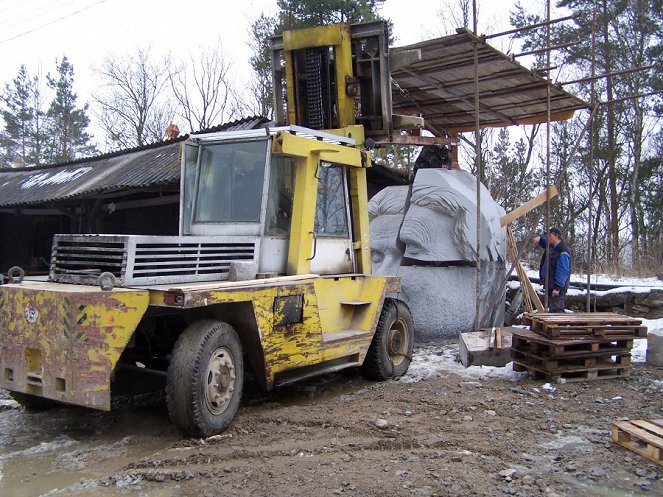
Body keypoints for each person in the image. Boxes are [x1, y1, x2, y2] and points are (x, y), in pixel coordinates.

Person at [533, 227, 571, 312]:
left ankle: (559, 325)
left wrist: (557, 287)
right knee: (552, 312)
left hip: (557, 289)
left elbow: (563, 271)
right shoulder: (552, 248)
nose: (548, 238)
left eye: (550, 235)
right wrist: (540, 238)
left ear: (556, 236)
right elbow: (545, 242)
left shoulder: (562, 251)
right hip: (550, 286)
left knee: (556, 313)